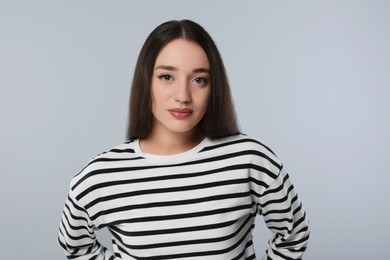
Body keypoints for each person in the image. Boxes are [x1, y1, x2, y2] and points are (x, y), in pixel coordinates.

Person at [58, 19, 309, 260]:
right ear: (146, 82)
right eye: (167, 76)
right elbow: (75, 246)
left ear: (214, 87)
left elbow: (294, 234)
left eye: (199, 80)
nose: (183, 95)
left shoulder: (250, 161)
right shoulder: (100, 176)